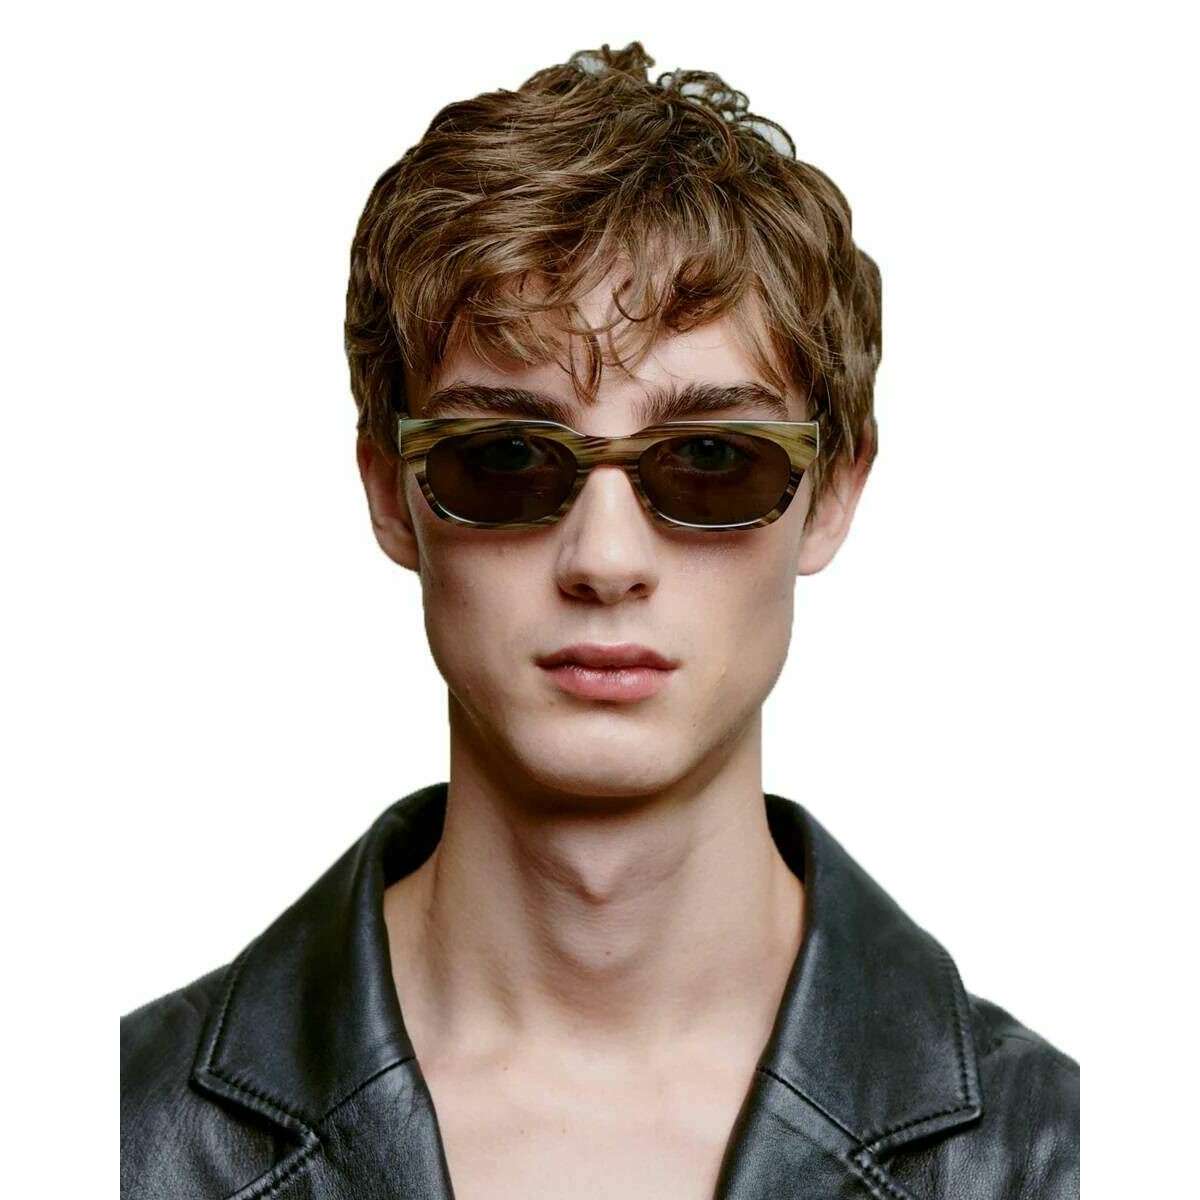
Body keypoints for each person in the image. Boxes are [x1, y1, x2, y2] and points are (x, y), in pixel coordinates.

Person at [120, 40, 1079, 1199]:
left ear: (830, 494)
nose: (606, 560)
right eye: (505, 457)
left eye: (711, 459)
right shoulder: (114, 1140)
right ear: (388, 490)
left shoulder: (1062, 1157)